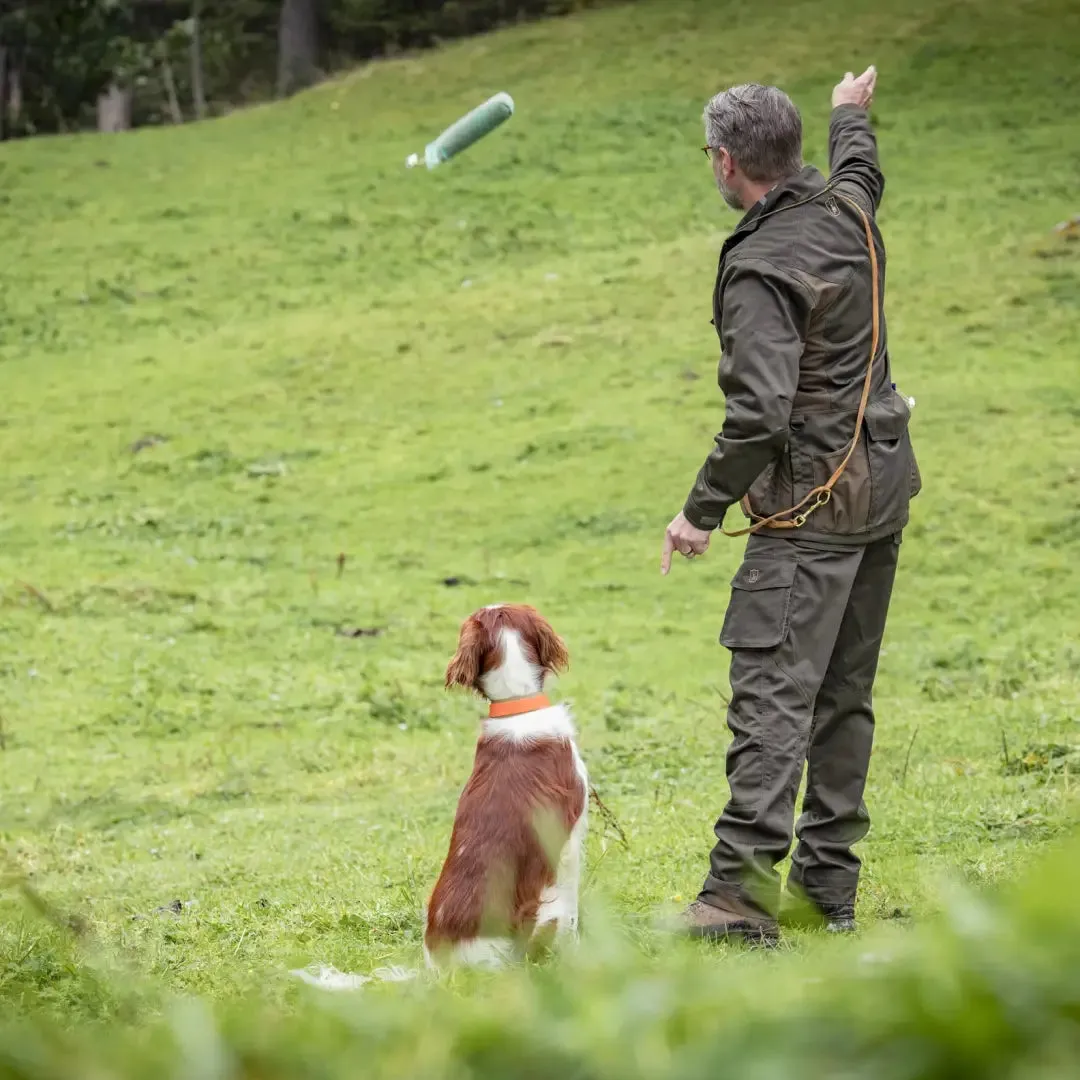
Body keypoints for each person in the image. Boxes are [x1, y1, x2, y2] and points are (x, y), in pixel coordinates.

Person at [660, 67, 921, 943]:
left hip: (808, 510)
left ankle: (736, 897)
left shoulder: (763, 265)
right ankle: (825, 889)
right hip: (880, 492)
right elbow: (862, 172)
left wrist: (699, 512)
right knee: (843, 697)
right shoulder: (847, 212)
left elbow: (758, 413)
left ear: (726, 160)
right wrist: (854, 115)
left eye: (711, 156)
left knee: (774, 694)